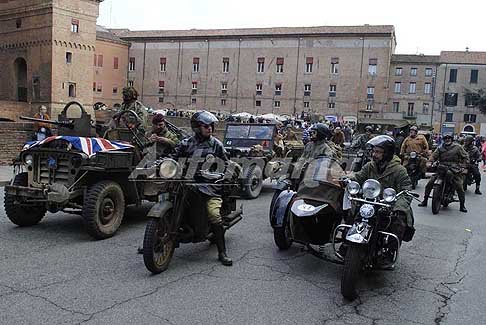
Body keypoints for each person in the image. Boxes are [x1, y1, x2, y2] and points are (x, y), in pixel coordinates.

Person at [172, 111, 233, 266]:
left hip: (209, 187)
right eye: (206, 126)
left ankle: (222, 252)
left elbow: (227, 165)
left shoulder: (216, 145)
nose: (210, 129)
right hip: (186, 183)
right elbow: (172, 156)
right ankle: (154, 239)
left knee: (213, 214)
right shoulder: (186, 143)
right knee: (168, 199)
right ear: (197, 127)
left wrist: (220, 175)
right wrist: (162, 163)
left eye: (211, 126)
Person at [351, 135, 414, 243]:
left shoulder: (399, 170)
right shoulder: (370, 166)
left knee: (398, 221)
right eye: (373, 151)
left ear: (387, 154)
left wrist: (398, 205)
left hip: (388, 205)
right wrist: (347, 179)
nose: (374, 155)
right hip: (369, 202)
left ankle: (391, 247)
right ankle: (347, 242)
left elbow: (406, 190)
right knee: (352, 213)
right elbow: (358, 177)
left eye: (378, 152)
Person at [418, 133, 469, 212]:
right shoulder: (440, 148)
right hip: (442, 168)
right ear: (443, 139)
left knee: (459, 186)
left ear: (452, 139)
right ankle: (425, 200)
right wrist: (430, 162)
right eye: (445, 138)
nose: (447, 139)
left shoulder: (458, 147)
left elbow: (465, 157)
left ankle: (462, 205)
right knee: (430, 183)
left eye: (449, 138)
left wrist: (464, 166)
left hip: (454, 169)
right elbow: (433, 156)